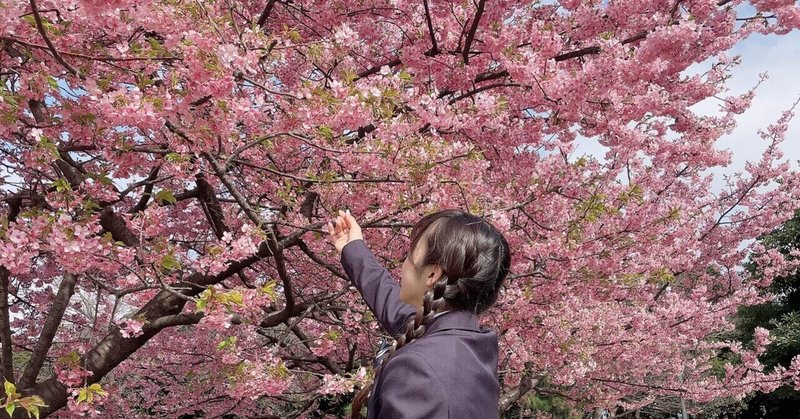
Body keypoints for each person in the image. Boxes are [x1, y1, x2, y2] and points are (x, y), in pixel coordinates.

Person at [326, 209, 511, 418]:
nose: (402, 265)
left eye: (409, 255)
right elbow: (390, 300)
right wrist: (352, 248)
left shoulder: (418, 370)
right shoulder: (472, 343)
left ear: (432, 274)